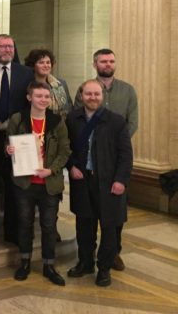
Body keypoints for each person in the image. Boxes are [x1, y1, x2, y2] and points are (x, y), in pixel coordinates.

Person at [73, 48, 138, 271]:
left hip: (113, 163)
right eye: (103, 61)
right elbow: (74, 130)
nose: (108, 64)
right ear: (95, 64)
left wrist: (111, 144)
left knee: (113, 220)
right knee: (85, 219)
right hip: (87, 168)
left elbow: (132, 122)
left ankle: (111, 256)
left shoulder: (127, 90)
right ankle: (86, 259)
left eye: (111, 60)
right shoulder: (84, 89)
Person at [66, 79, 133, 287]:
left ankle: (104, 268)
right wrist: (71, 166)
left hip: (109, 183)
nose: (92, 98)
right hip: (82, 181)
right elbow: (65, 147)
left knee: (109, 228)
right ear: (81, 95)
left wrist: (121, 180)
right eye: (88, 94)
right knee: (84, 226)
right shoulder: (72, 119)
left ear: (102, 96)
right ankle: (85, 263)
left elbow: (126, 155)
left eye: (96, 94)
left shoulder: (116, 121)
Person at [6, 81, 71, 286]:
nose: (43, 100)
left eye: (46, 96)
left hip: (49, 183)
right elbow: (9, 143)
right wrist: (8, 150)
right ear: (29, 97)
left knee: (49, 226)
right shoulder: (18, 119)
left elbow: (65, 150)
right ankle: (24, 263)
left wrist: (51, 170)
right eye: (39, 96)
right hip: (25, 183)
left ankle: (48, 265)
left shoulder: (56, 121)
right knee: (24, 224)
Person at [0, 34, 34, 243]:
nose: (7, 50)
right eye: (3, 46)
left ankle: (13, 232)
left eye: (10, 46)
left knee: (16, 185)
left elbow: (30, 106)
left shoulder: (26, 74)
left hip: (18, 137)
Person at [24, 49, 72, 117]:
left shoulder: (61, 84)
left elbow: (69, 107)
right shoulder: (26, 84)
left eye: (48, 62)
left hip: (60, 124)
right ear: (33, 65)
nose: (46, 65)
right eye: (41, 62)